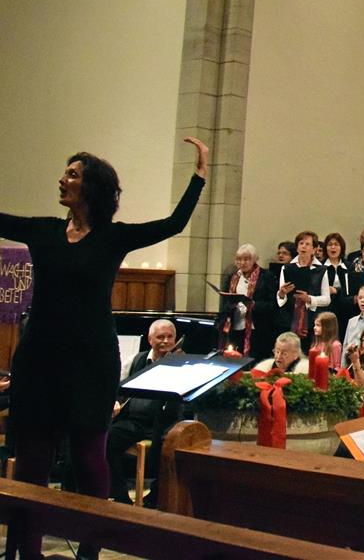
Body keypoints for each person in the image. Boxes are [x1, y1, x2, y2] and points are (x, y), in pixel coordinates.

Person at [0, 136, 207, 560]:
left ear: (91, 186)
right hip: (39, 360)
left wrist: (199, 175)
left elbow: (173, 224)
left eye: (72, 175)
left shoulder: (112, 238)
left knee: (89, 458)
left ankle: (90, 551)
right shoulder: (43, 230)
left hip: (90, 363)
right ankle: (27, 553)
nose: (62, 180)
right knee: (32, 466)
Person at [108, 319, 182, 506]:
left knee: (170, 447)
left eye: (169, 337)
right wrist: (116, 402)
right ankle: (120, 495)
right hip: (135, 422)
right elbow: (121, 388)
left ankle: (155, 497)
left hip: (164, 423)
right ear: (150, 340)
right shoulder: (138, 359)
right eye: (160, 337)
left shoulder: (182, 362)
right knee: (107, 439)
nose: (165, 341)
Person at [275, 230, 331, 348]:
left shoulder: (321, 270)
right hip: (289, 317)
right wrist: (282, 293)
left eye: (307, 244)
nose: (303, 247)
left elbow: (326, 299)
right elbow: (280, 296)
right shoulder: (287, 268)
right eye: (301, 243)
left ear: (314, 249)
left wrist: (309, 299)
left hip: (311, 320)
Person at [218, 243, 275, 358]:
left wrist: (254, 305)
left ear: (254, 260)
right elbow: (225, 302)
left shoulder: (266, 276)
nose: (242, 263)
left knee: (255, 359)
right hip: (235, 325)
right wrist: (231, 303)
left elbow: (273, 304)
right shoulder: (232, 277)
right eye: (239, 259)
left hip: (257, 327)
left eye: (246, 259)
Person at [323, 232, 353, 340]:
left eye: (336, 244)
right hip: (326, 309)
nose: (333, 247)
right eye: (330, 244)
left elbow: (352, 289)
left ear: (342, 248)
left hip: (345, 310)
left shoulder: (350, 266)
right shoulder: (320, 267)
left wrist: (336, 291)